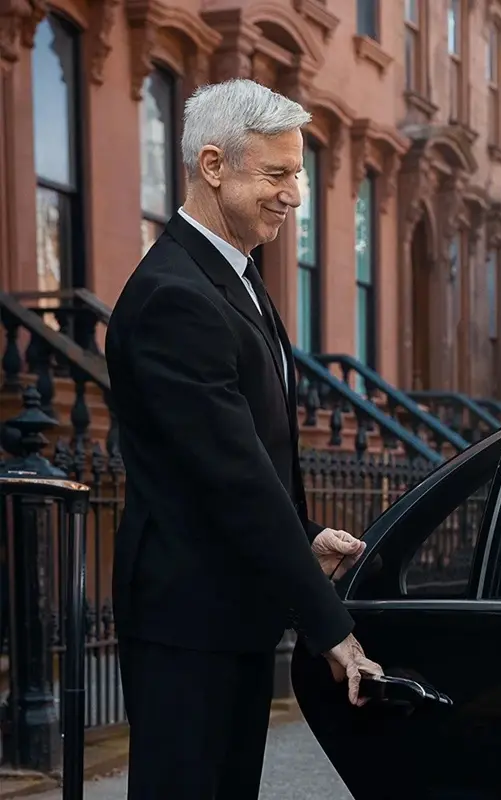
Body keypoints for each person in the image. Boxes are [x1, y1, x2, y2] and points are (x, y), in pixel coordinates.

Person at [105, 79, 381, 798]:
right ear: (213, 165)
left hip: (226, 614)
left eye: (299, 174)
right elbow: (233, 478)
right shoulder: (177, 297)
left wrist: (305, 534)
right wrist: (331, 630)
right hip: (187, 620)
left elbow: (245, 456)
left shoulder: (233, 277)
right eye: (278, 173)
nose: (295, 194)